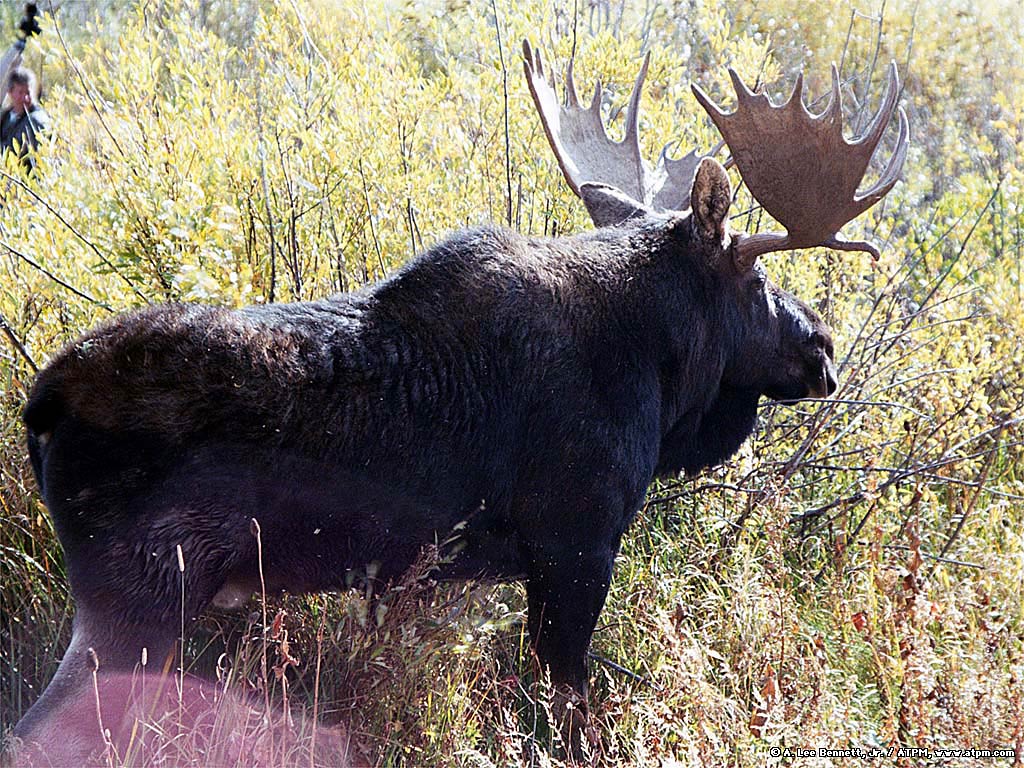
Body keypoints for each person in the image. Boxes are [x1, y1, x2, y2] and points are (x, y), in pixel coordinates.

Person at [0, 65, 49, 171]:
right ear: (10, 92)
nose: (25, 98)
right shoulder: (6, 116)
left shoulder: (36, 120)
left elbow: (11, 152)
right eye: (20, 92)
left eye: (28, 92)